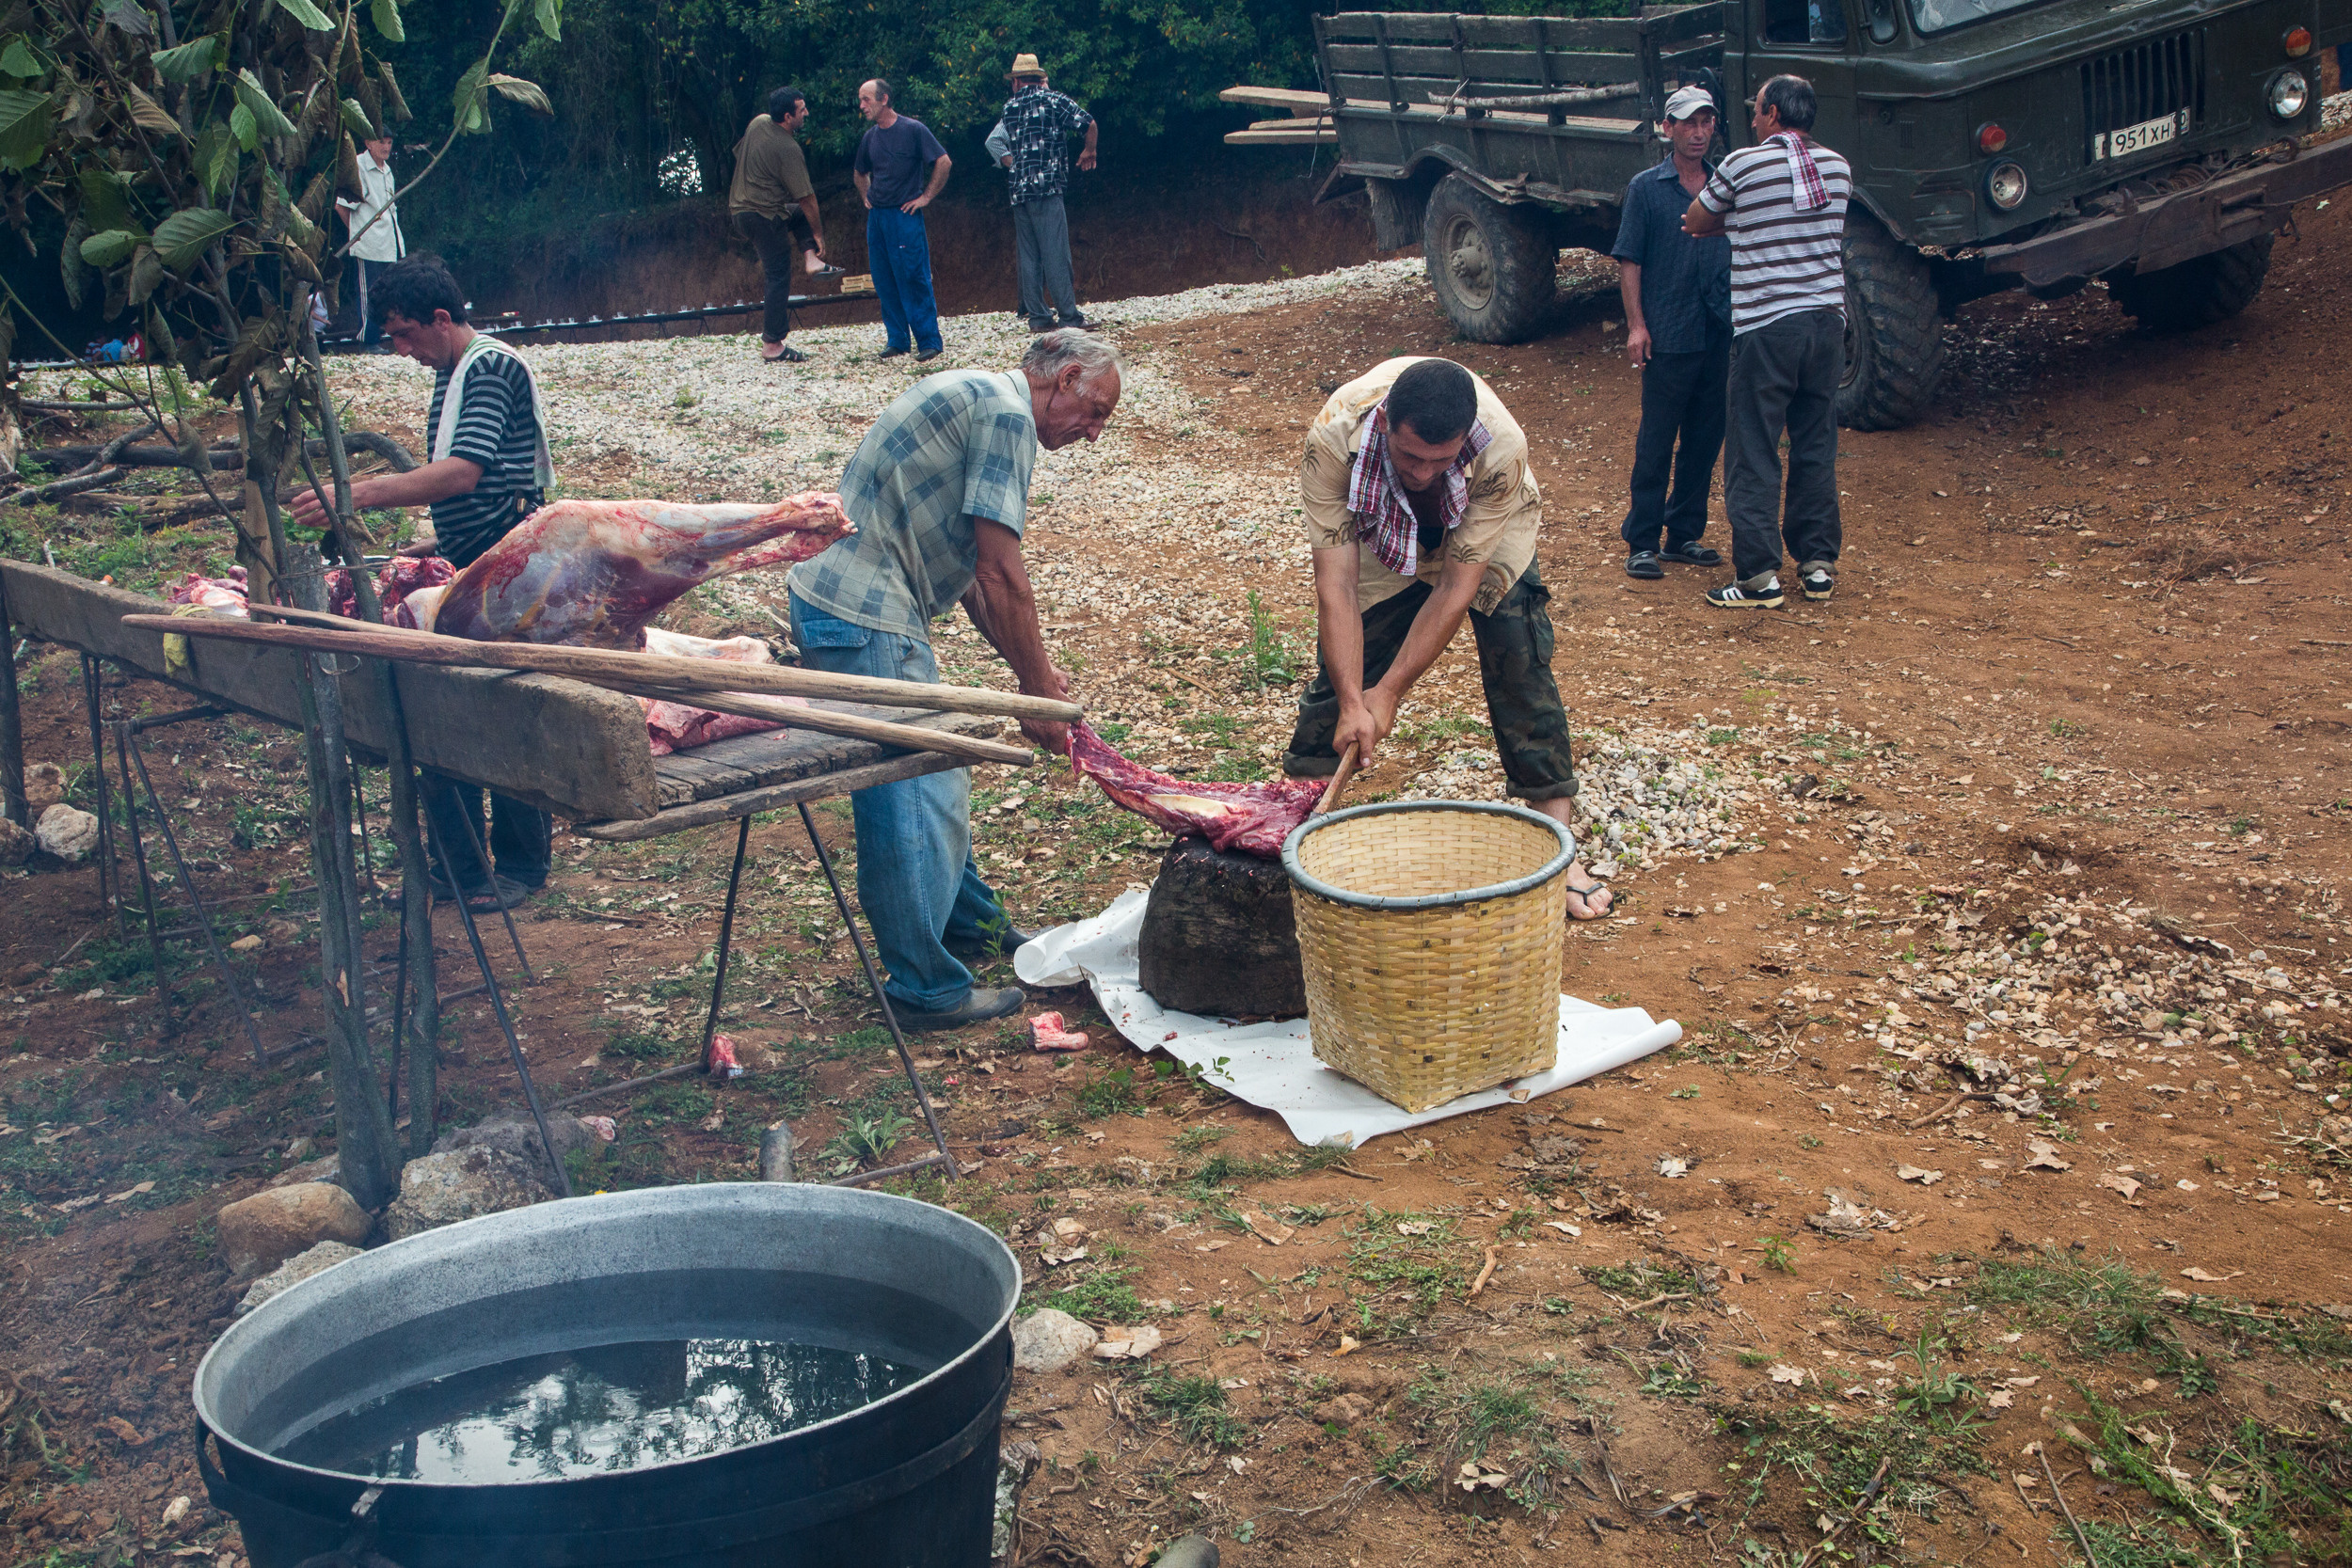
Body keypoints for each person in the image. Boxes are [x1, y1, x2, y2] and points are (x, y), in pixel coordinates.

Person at [787, 330, 1122, 1029]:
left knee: (934, 771)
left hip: (859, 604)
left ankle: (970, 922)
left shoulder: (981, 394)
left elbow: (971, 574)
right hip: (863, 610)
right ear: (1063, 379)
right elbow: (1001, 572)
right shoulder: (1006, 415)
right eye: (1094, 412)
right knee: (917, 787)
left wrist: (1033, 675)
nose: (1092, 434)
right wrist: (1038, 694)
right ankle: (923, 987)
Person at [1283, 356, 1613, 920]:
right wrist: (1354, 701)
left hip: (1486, 524)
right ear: (1385, 423)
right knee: (1346, 676)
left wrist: (1388, 695)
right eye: (1411, 456)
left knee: (1520, 657)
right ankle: (1297, 826)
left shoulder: (1501, 449)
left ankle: (1560, 851)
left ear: (1464, 439)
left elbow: (1457, 589)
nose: (1423, 473)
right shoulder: (1333, 441)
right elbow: (1335, 587)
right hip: (1377, 515)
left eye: (1440, 459)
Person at [287, 256, 554, 913]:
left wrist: (359, 492)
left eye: (405, 333)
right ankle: (457, 866)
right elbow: (483, 480)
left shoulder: (488, 366)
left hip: (510, 569)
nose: (401, 349)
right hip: (473, 562)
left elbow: (464, 473)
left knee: (504, 708)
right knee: (449, 711)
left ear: (441, 319)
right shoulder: (452, 371)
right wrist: (435, 543)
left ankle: (519, 865)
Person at [1683, 74, 1851, 610]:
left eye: (1757, 111)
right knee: (1815, 441)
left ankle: (1759, 576)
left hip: (1767, 325)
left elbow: (1695, 220)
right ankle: (1818, 564)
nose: (1752, 120)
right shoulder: (1839, 168)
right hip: (1827, 323)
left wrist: (1735, 224)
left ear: (1774, 113)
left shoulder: (1742, 164)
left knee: (1754, 447)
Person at [1613, 85, 1730, 581]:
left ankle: (1683, 534)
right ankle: (1642, 539)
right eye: (1688, 123)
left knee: (1705, 437)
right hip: (1670, 329)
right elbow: (1630, 259)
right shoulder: (1647, 187)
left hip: (1718, 328)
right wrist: (1637, 325)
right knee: (1658, 438)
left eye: (1706, 121)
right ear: (1668, 128)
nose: (1699, 132)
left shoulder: (1724, 182)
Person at [728, 85, 838, 366]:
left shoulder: (758, 122)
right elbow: (807, 198)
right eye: (802, 110)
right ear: (788, 117)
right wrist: (818, 234)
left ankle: (811, 260)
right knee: (778, 276)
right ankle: (773, 345)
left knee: (795, 216)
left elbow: (741, 155)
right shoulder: (788, 148)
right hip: (763, 215)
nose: (806, 114)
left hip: (739, 210)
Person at [993, 53, 1098, 333]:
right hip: (1047, 187)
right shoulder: (1053, 99)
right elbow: (1088, 123)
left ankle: (1038, 317)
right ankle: (1068, 317)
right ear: (1040, 78)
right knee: (1055, 252)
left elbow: (997, 142)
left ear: (1015, 81)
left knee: (1028, 254)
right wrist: (1089, 150)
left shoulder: (1009, 107)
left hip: (1018, 189)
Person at [853, 79, 950, 363]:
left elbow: (943, 162)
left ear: (884, 99)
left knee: (913, 276)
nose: (862, 106)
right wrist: (866, 196)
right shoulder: (870, 137)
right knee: (883, 279)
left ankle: (929, 340)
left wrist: (926, 197)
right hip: (878, 217)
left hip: (904, 214)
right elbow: (859, 172)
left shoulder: (912, 130)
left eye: (866, 99)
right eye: (860, 100)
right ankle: (897, 340)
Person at [334, 132, 405, 349]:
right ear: (368, 143)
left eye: (390, 142)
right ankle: (368, 341)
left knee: (391, 292)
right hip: (368, 243)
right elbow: (341, 206)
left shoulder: (387, 170)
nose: (386, 147)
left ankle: (392, 338)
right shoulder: (357, 167)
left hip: (389, 242)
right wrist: (358, 235)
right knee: (368, 292)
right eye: (381, 142)